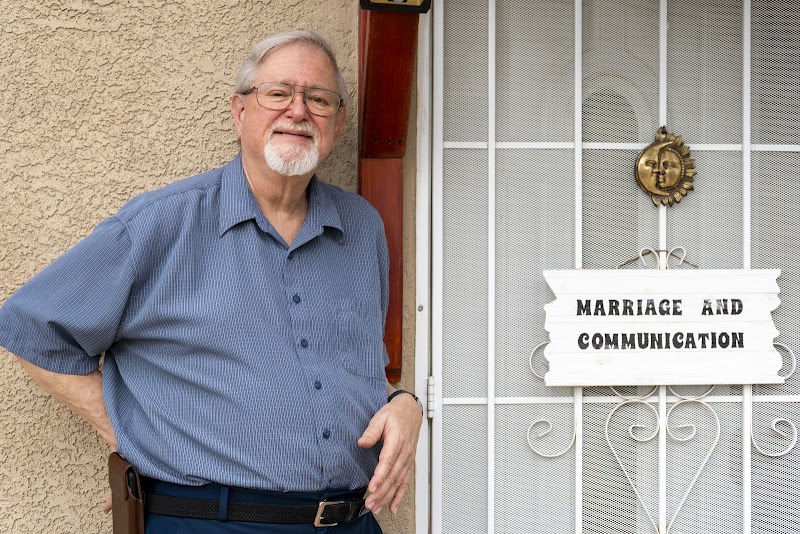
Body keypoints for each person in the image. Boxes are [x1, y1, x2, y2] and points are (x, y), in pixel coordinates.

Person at [0, 29, 423, 533]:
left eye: (319, 99)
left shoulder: (362, 227)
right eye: (278, 93)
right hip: (209, 521)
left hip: (351, 521)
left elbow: (353, 366)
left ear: (340, 122)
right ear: (239, 112)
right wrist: (130, 434)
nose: (298, 111)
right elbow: (31, 327)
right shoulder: (160, 224)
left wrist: (404, 404)